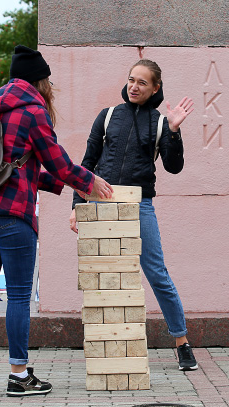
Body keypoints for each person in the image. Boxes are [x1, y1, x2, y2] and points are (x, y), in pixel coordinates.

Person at [0, 45, 112, 398]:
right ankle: (19, 375)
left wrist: (57, 184)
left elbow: (16, 169)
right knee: (20, 295)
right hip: (13, 217)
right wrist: (90, 182)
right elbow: (59, 163)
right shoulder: (32, 110)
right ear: (40, 80)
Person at [69, 59, 198, 371]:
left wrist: (174, 130)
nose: (134, 86)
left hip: (140, 205)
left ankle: (181, 342)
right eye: (131, 80)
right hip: (101, 202)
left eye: (142, 82)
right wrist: (77, 206)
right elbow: (87, 163)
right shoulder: (108, 115)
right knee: (105, 278)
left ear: (155, 88)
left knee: (156, 272)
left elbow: (174, 166)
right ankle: (107, 348)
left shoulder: (159, 122)